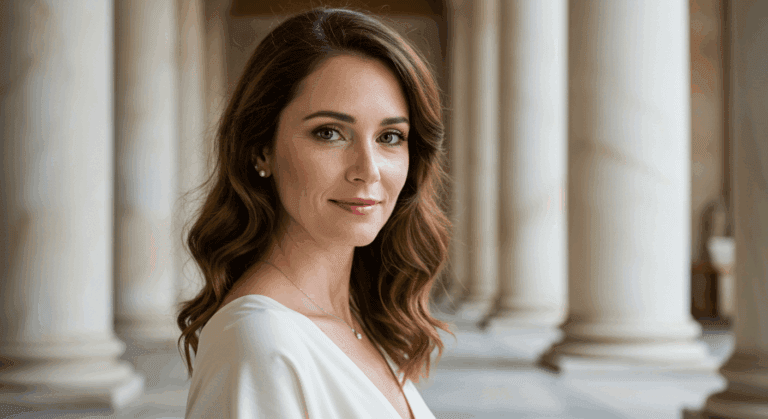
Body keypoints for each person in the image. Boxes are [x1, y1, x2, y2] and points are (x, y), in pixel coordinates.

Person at [177, 7, 454, 419]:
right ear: (261, 149)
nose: (368, 170)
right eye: (329, 133)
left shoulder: (360, 318)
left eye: (389, 137)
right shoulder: (260, 342)